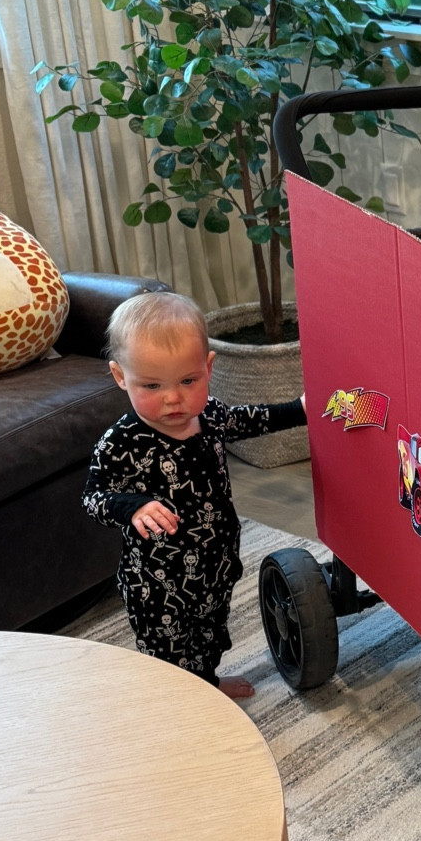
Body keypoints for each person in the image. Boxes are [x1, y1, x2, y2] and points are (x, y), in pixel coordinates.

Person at [83, 290, 307, 699]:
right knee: (168, 654)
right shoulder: (122, 442)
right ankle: (183, 708)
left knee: (208, 635)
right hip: (157, 580)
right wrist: (133, 506)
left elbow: (248, 420)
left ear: (208, 368)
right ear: (120, 377)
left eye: (188, 381)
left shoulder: (208, 415)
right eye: (151, 385)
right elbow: (94, 496)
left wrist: (300, 409)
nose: (173, 398)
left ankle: (207, 684)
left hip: (215, 561)